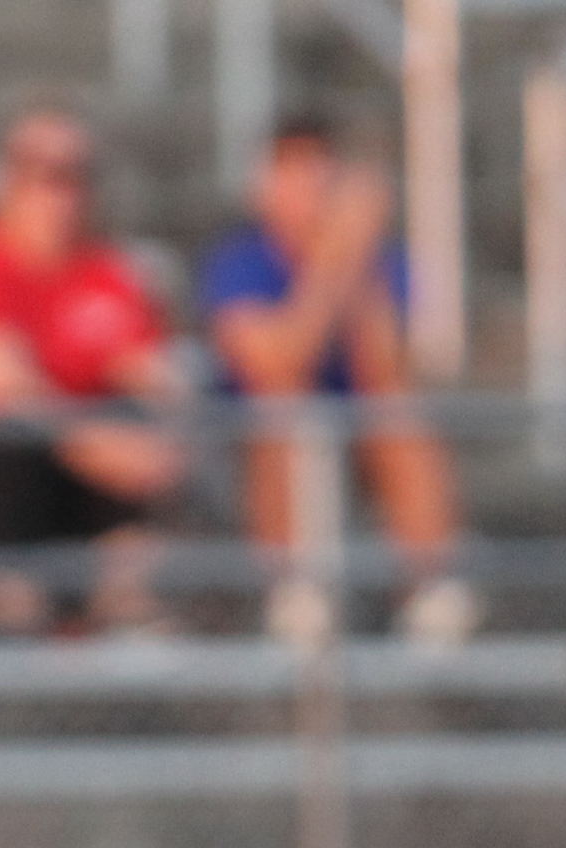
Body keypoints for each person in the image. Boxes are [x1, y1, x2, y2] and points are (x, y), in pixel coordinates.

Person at [0, 101, 185, 637]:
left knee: (138, 427)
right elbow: (3, 385)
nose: (62, 192)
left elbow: (155, 376)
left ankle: (125, 614)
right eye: (43, 172)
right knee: (10, 442)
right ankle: (15, 621)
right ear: (9, 179)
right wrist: (104, 447)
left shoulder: (107, 272)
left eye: (77, 174)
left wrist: (158, 438)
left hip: (81, 476)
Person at [199, 111, 478, 647]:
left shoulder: (384, 262)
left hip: (360, 437)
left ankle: (428, 589)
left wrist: (358, 264)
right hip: (262, 446)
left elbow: (388, 369)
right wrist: (332, 262)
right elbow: (278, 361)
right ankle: (295, 591)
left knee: (401, 413)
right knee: (284, 409)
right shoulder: (238, 262)